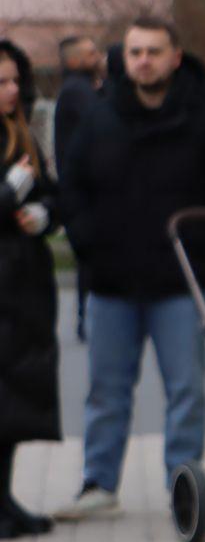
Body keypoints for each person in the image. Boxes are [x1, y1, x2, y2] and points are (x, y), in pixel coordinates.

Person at [52, 16, 205, 521]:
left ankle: (183, 487)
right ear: (122, 60)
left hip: (183, 284)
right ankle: (98, 485)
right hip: (112, 284)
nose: (143, 61)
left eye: (153, 51)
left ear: (175, 58)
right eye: (134, 53)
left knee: (186, 391)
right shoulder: (101, 120)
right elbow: (73, 189)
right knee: (105, 393)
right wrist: (87, 242)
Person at [0, 40, 60, 538]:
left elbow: (53, 196)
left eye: (16, 80)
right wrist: (9, 193)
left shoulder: (21, 135)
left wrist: (42, 215)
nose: (12, 90)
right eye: (1, 82)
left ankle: (6, 500)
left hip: (23, 287)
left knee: (14, 402)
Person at [53, 33, 106, 341]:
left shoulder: (77, 90)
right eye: (90, 53)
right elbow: (100, 118)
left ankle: (87, 318)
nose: (96, 57)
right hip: (83, 193)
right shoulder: (78, 91)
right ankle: (89, 319)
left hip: (80, 190)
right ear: (73, 61)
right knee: (91, 258)